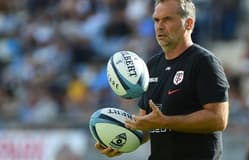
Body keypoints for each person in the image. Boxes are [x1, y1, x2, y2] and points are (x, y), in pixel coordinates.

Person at [95, 0, 230, 159]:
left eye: (167, 19)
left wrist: (165, 121)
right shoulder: (151, 66)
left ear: (188, 23)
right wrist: (123, 140)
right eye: (156, 20)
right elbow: (147, 125)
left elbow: (218, 119)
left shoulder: (203, 62)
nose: (160, 26)